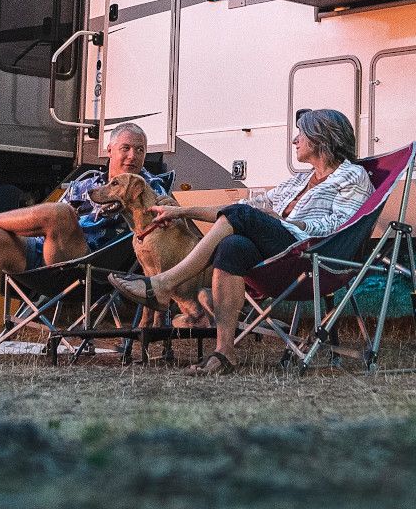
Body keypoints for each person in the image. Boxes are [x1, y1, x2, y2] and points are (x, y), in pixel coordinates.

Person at [109, 108, 372, 375]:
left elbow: (340, 226)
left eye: (301, 134)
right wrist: (181, 212)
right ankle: (224, 353)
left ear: (320, 138)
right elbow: (244, 207)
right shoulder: (299, 181)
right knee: (232, 245)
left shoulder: (353, 176)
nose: (295, 140)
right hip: (283, 257)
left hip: (313, 255)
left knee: (245, 215)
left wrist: (284, 222)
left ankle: (163, 285)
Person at [0, 123, 167, 360]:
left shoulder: (150, 188)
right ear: (109, 150)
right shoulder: (86, 184)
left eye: (140, 150)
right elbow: (45, 222)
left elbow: (165, 221)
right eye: (126, 148)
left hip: (90, 267)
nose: (132, 156)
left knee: (60, 213)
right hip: (46, 258)